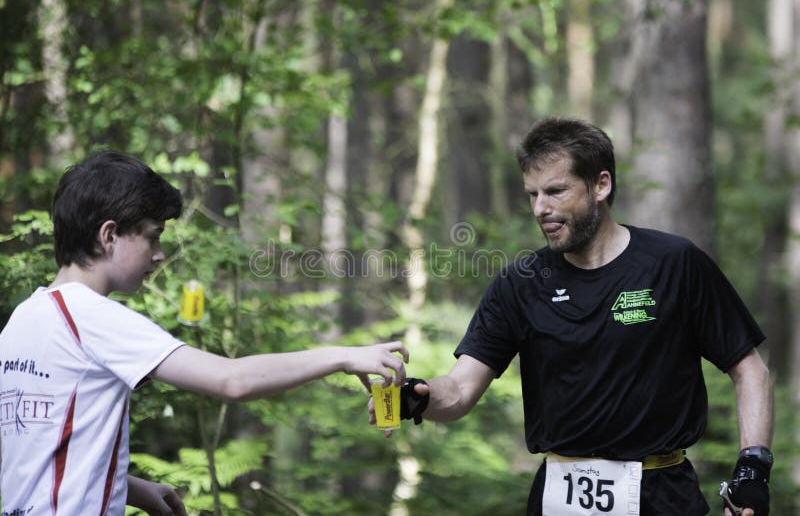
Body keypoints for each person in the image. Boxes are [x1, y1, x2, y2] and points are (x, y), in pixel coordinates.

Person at [375, 117, 774, 516]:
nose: (540, 209)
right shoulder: (521, 283)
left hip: (662, 492)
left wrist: (752, 471)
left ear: (601, 185)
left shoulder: (674, 264)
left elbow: (750, 371)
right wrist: (412, 397)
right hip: (558, 496)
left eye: (555, 191)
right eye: (532, 194)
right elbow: (460, 391)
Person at [0, 150, 409, 516]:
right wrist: (343, 355)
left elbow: (35, 450)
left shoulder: (24, 320)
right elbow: (232, 381)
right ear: (109, 236)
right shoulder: (93, 317)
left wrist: (130, 488)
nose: (160, 254)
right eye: (153, 237)